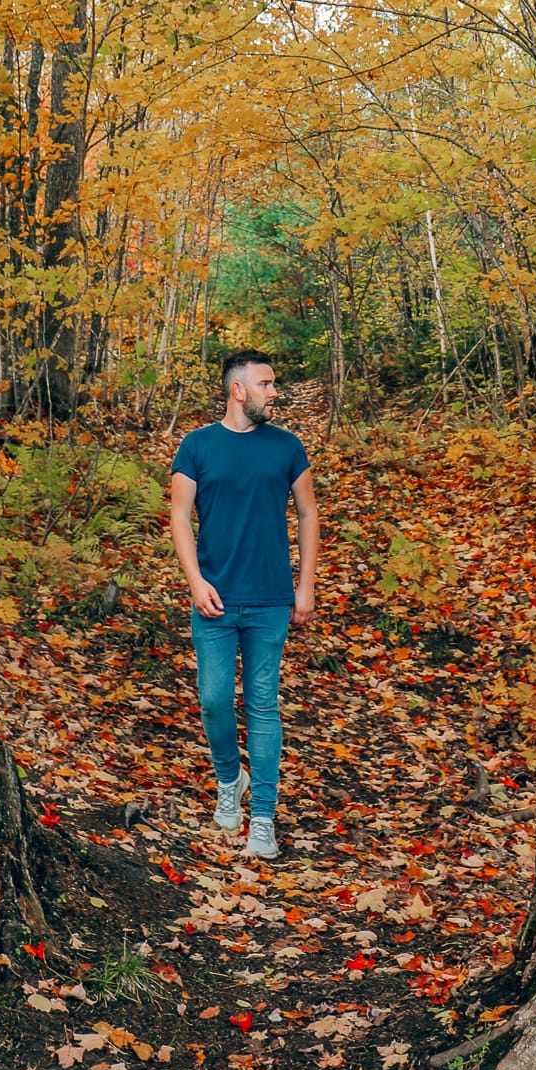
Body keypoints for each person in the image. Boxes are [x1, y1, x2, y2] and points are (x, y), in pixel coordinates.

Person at [169, 350, 319, 861]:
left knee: (262, 706)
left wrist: (306, 586)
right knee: (213, 699)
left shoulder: (287, 448)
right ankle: (230, 779)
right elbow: (179, 517)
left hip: (271, 599)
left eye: (274, 383)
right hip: (214, 599)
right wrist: (195, 582)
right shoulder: (197, 446)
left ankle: (263, 818)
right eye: (266, 384)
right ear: (239, 390)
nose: (275, 392)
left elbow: (308, 513)